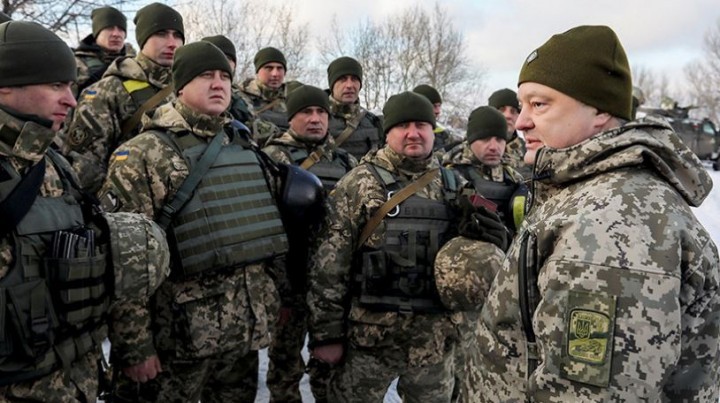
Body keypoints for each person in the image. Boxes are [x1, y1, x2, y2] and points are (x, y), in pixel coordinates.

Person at [476, 25, 720, 402]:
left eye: (539, 104)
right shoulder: (591, 193)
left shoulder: (612, 222)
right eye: (522, 105)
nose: (521, 122)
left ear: (601, 110)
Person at [97, 41, 293, 403]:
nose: (218, 84)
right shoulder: (143, 154)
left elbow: (261, 231)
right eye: (205, 75)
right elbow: (123, 261)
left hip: (242, 340)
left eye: (225, 77)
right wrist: (135, 347)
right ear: (181, 86)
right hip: (175, 345)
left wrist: (277, 298)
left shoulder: (245, 146)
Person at [0, 21, 170, 402]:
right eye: (55, 86)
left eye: (70, 86)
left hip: (76, 383)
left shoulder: (55, 164)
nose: (71, 100)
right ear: (6, 84)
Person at [307, 91, 507, 402]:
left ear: (432, 131)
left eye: (421, 125)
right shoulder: (358, 185)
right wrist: (327, 334)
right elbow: (329, 267)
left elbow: (477, 262)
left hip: (433, 344)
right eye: (403, 126)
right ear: (388, 133)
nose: (413, 133)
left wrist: (493, 241)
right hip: (369, 341)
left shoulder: (455, 185)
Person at [263, 84, 356, 403]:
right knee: (284, 363)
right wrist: (275, 287)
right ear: (291, 117)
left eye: (321, 112)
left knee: (330, 364)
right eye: (306, 112)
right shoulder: (273, 158)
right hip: (287, 280)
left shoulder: (346, 162)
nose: (315, 118)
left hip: (332, 288)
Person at [64, 2, 184, 194]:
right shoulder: (107, 91)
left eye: (177, 35)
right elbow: (86, 169)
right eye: (161, 34)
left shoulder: (189, 86)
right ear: (143, 39)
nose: (172, 43)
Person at [443, 105, 527, 235]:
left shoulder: (514, 178)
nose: (494, 147)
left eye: (499, 140)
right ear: (471, 140)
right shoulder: (448, 176)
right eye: (485, 139)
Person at [325, 56, 384, 161]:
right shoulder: (317, 119)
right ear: (332, 85)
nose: (349, 85)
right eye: (342, 79)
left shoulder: (374, 122)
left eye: (354, 79)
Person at [72, 6, 135, 97]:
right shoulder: (75, 63)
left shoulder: (136, 63)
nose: (116, 34)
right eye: (109, 28)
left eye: (121, 29)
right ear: (97, 33)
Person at [238, 46, 289, 145]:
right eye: (269, 68)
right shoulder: (240, 96)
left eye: (279, 68)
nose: (275, 74)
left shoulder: (293, 98)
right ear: (258, 71)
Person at [201, 35, 253, 124]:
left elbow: (254, 124)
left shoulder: (240, 100)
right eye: (215, 57)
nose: (221, 62)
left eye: (227, 58)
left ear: (234, 65)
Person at [488, 88, 533, 178]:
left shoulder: (529, 151)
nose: (508, 116)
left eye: (513, 111)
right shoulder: (470, 148)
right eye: (501, 110)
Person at [412, 84, 462, 153]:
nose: (438, 111)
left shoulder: (442, 133)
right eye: (434, 106)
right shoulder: (407, 133)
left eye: (439, 106)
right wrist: (442, 153)